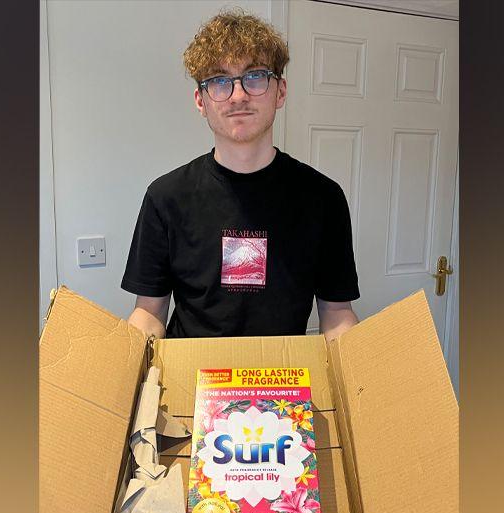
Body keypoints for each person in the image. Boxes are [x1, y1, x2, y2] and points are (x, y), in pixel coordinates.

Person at [122, 8, 359, 341]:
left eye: (255, 76)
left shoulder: (323, 198)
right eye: (219, 81)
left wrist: (360, 373)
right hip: (191, 381)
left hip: (282, 383)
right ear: (201, 100)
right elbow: (149, 311)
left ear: (281, 91)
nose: (239, 95)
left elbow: (337, 313)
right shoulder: (165, 198)